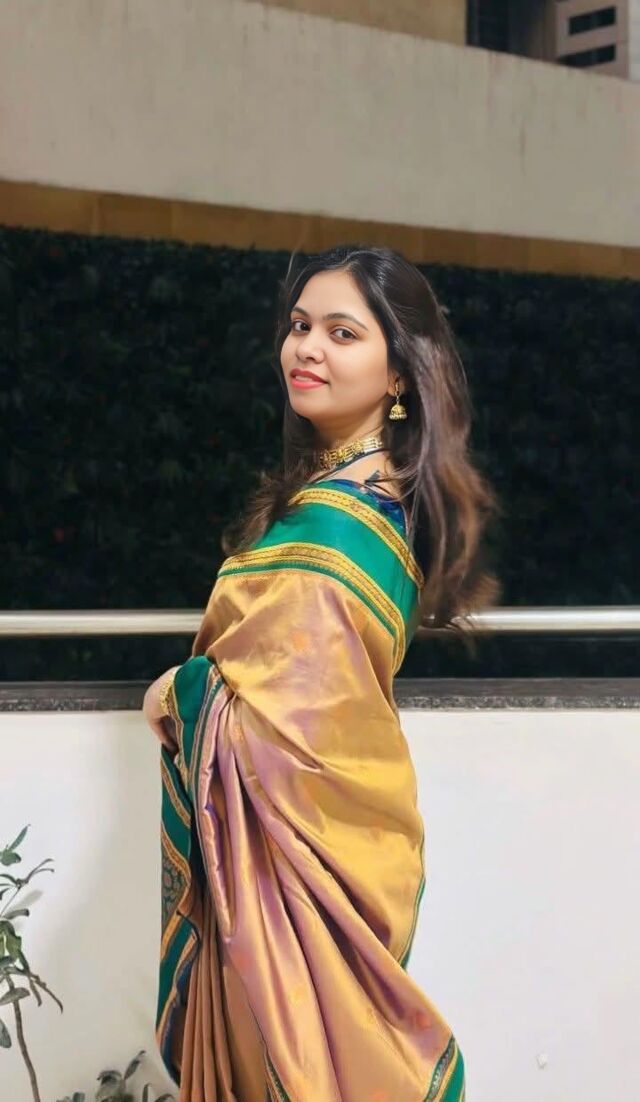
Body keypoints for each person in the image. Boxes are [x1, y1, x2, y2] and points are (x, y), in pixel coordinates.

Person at [143, 244, 499, 1102]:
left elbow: (288, 726)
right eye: (300, 326)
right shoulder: (348, 495)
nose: (306, 348)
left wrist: (183, 694)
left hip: (299, 864)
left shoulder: (344, 522)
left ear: (399, 373)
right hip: (300, 850)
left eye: (342, 333)